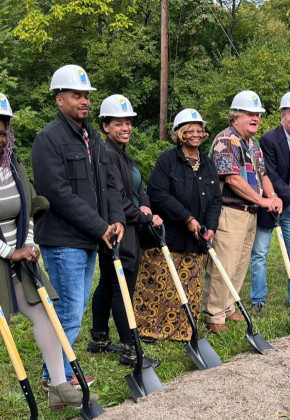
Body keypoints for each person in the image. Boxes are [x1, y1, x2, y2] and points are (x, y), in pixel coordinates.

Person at [0, 90, 97, 418]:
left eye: (3, 132)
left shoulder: (11, 164)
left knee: (45, 314)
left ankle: (59, 387)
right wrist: (8, 252)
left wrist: (27, 245)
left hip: (19, 260)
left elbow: (28, 207)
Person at [31, 65, 125, 387]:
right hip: (62, 240)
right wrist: (100, 226)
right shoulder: (49, 139)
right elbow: (57, 194)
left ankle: (57, 373)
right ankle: (57, 377)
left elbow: (109, 185)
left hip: (88, 238)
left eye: (86, 95)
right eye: (76, 95)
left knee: (77, 307)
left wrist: (116, 219)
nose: (84, 101)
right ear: (59, 99)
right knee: (70, 310)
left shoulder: (93, 138)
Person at [133, 108, 222, 341]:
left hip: (195, 238)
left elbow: (215, 199)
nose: (195, 134)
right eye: (189, 130)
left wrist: (210, 227)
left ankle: (181, 330)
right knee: (159, 283)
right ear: (180, 134)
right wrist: (187, 218)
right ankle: (149, 330)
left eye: (199, 130)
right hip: (168, 234)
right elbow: (158, 193)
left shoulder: (208, 164)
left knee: (188, 284)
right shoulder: (167, 161)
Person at [88, 95, 162, 367]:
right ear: (105, 126)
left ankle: (99, 337)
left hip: (130, 225)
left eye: (129, 123)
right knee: (123, 287)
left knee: (108, 283)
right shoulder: (106, 154)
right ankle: (131, 349)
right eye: (119, 123)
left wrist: (145, 208)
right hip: (119, 229)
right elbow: (116, 200)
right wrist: (144, 217)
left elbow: (138, 190)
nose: (126, 128)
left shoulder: (122, 153)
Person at [203, 91, 282, 333]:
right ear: (235, 117)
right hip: (230, 210)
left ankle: (228, 307)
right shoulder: (226, 140)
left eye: (257, 114)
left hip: (251, 211)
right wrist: (262, 199)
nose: (255, 118)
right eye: (250, 114)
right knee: (223, 264)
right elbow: (232, 179)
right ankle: (214, 315)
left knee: (240, 263)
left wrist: (273, 196)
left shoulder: (252, 143)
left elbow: (263, 174)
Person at [251, 90, 290, 311]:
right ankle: (258, 298)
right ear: (283, 116)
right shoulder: (268, 139)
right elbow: (271, 175)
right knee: (260, 253)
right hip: (269, 203)